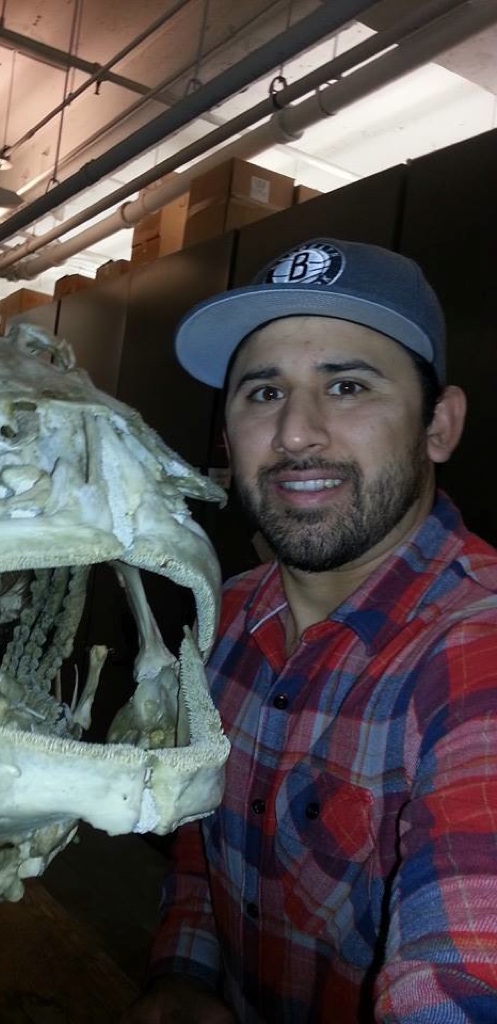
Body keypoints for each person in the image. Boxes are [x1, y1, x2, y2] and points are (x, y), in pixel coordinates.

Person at [122, 238, 497, 1022]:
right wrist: (186, 970)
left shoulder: (475, 653)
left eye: (348, 385)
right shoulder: (223, 615)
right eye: (262, 393)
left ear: (439, 425)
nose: (295, 433)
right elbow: (200, 837)